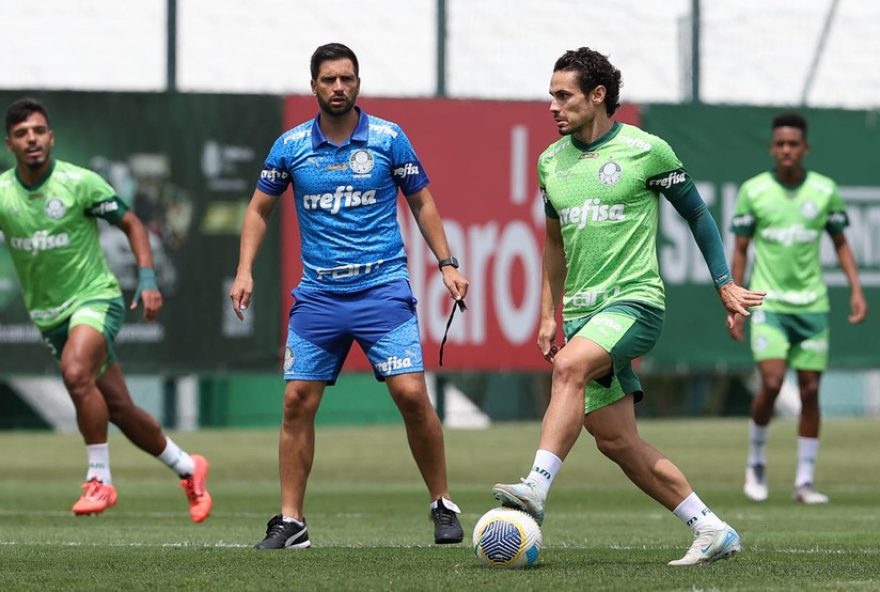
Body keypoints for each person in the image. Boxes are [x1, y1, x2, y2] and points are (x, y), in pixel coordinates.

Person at [490, 47, 766, 566]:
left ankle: (535, 487)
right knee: (617, 442)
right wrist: (548, 314)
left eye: (563, 95)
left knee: (570, 368)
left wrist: (724, 283)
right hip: (581, 314)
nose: (553, 106)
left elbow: (699, 216)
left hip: (635, 304)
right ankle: (710, 528)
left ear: (597, 96)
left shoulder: (646, 150)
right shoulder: (550, 161)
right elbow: (553, 244)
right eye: (551, 96)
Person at [230, 43, 469, 550]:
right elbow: (257, 211)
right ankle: (292, 522)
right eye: (329, 80)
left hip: (383, 287)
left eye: (347, 79)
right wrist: (245, 270)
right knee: (296, 401)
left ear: (358, 83)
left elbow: (421, 200)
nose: (339, 88)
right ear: (313, 85)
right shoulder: (290, 146)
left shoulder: (388, 138)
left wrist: (446, 263)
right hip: (319, 296)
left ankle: (442, 503)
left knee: (410, 395)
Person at [0, 98, 212, 522]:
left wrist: (147, 278)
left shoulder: (79, 183)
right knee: (117, 407)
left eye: (39, 131)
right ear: (11, 144)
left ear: (51, 137)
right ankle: (188, 467)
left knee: (76, 374)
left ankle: (99, 479)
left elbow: (132, 224)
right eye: (22, 134)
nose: (32, 139)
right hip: (50, 316)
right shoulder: (4, 193)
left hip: (96, 298)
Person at [730, 113, 867, 504]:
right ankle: (756, 461)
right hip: (769, 306)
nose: (786, 151)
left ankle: (804, 481)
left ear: (805, 148)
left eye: (793, 144)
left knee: (810, 391)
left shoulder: (824, 190)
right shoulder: (753, 191)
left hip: (813, 308)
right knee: (771, 384)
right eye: (780, 144)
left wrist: (856, 289)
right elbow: (739, 248)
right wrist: (736, 299)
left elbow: (841, 242)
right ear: (772, 148)